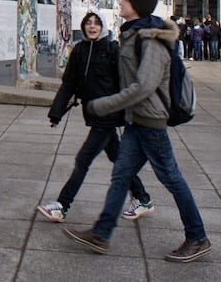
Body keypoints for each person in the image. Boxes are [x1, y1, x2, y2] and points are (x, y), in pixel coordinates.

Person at [63, 0, 211, 263]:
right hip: (136, 120)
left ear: (138, 6)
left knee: (171, 178)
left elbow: (144, 85)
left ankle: (198, 236)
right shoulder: (132, 34)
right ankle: (101, 233)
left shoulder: (151, 39)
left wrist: (104, 104)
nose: (120, 2)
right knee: (121, 176)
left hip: (151, 120)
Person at [36, 12, 154, 224]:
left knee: (83, 160)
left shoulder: (112, 49)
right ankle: (142, 198)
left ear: (103, 26)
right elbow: (69, 83)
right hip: (94, 114)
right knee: (118, 160)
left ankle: (62, 206)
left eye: (96, 23)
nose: (92, 27)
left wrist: (130, 111)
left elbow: (125, 82)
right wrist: (56, 113)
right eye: (88, 23)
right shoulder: (80, 50)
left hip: (108, 115)